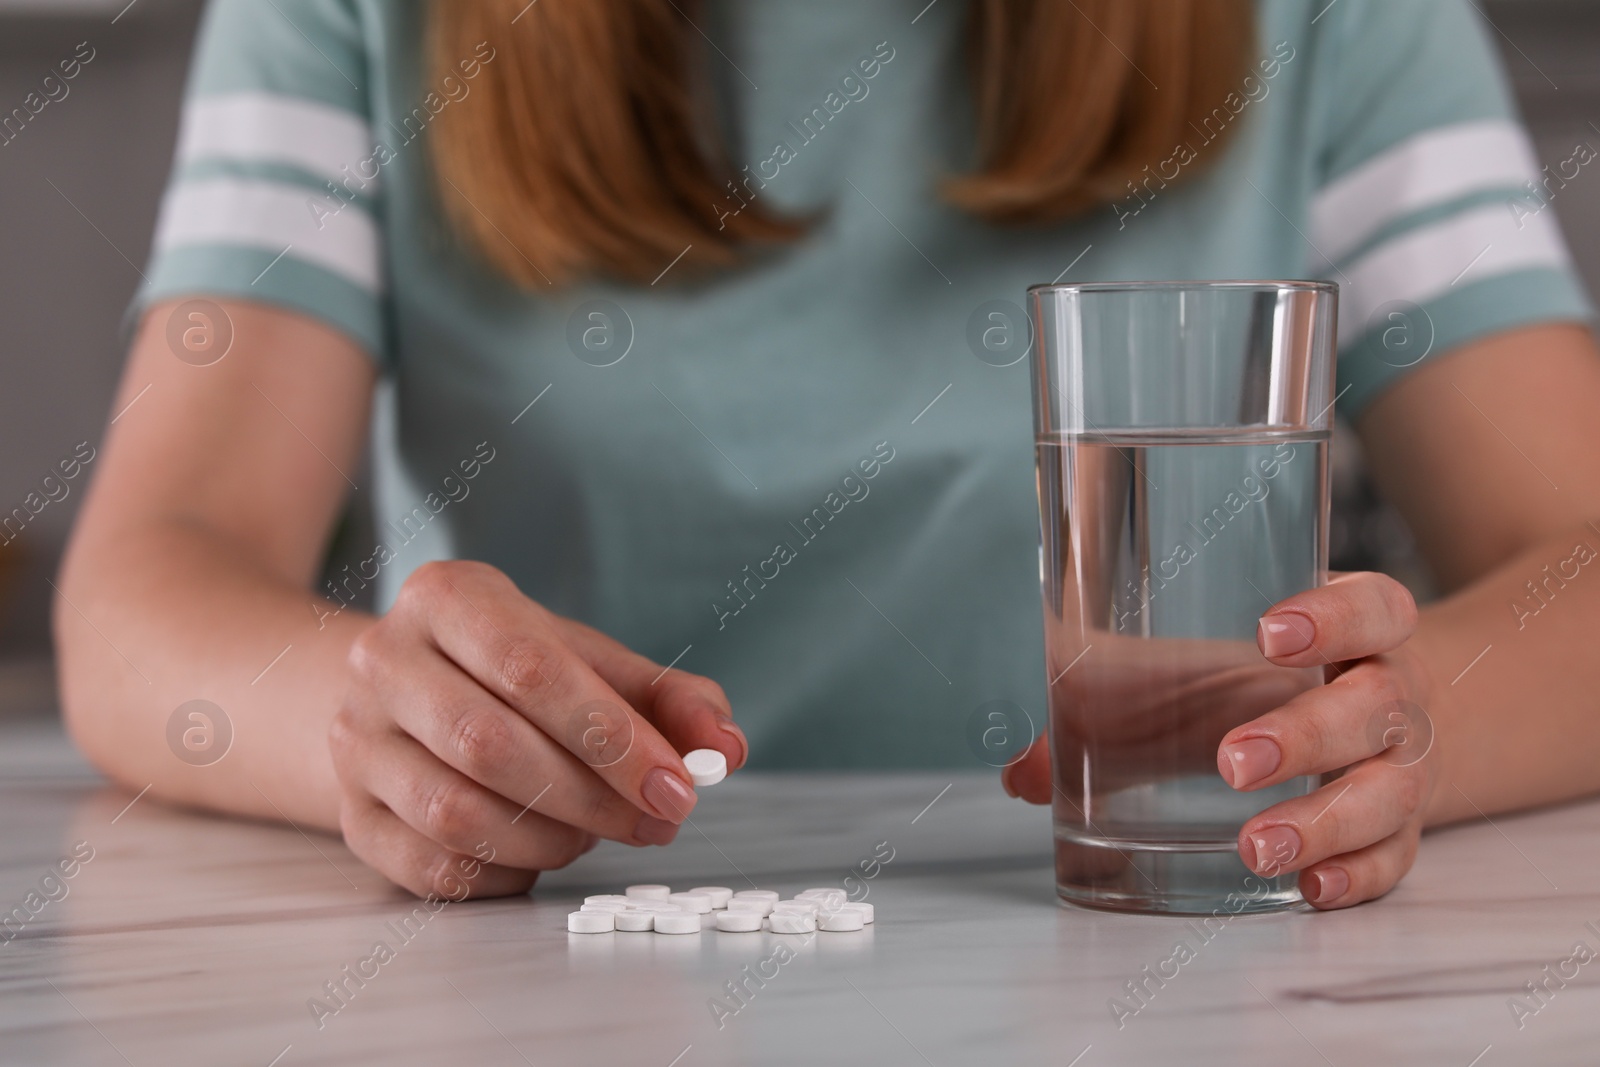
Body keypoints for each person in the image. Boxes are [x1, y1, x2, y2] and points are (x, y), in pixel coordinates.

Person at [57, 0, 1600, 909]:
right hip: (561, 965)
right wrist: (370, 723)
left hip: (1150, 945)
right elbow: (142, 583)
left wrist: (1401, 732)